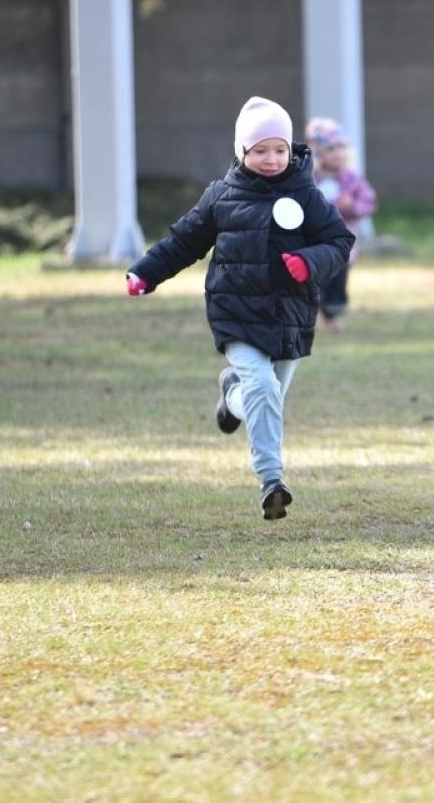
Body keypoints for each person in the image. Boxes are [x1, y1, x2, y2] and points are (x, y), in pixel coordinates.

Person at [126, 97, 353, 521]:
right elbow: (183, 242)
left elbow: (340, 243)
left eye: (280, 150)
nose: (272, 159)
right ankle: (272, 480)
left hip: (290, 317)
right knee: (264, 391)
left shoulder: (307, 194)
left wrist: (309, 263)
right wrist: (145, 273)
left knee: (265, 400)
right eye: (261, 150)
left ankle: (231, 396)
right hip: (235, 315)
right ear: (241, 151)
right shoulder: (221, 195)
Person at [305, 117, 377, 333]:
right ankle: (310, 314)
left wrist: (352, 206)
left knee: (337, 281)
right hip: (316, 243)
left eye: (340, 148)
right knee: (315, 281)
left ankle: (332, 316)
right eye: (330, 149)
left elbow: (369, 202)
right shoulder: (311, 180)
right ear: (318, 154)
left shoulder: (351, 179)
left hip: (344, 243)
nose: (337, 153)